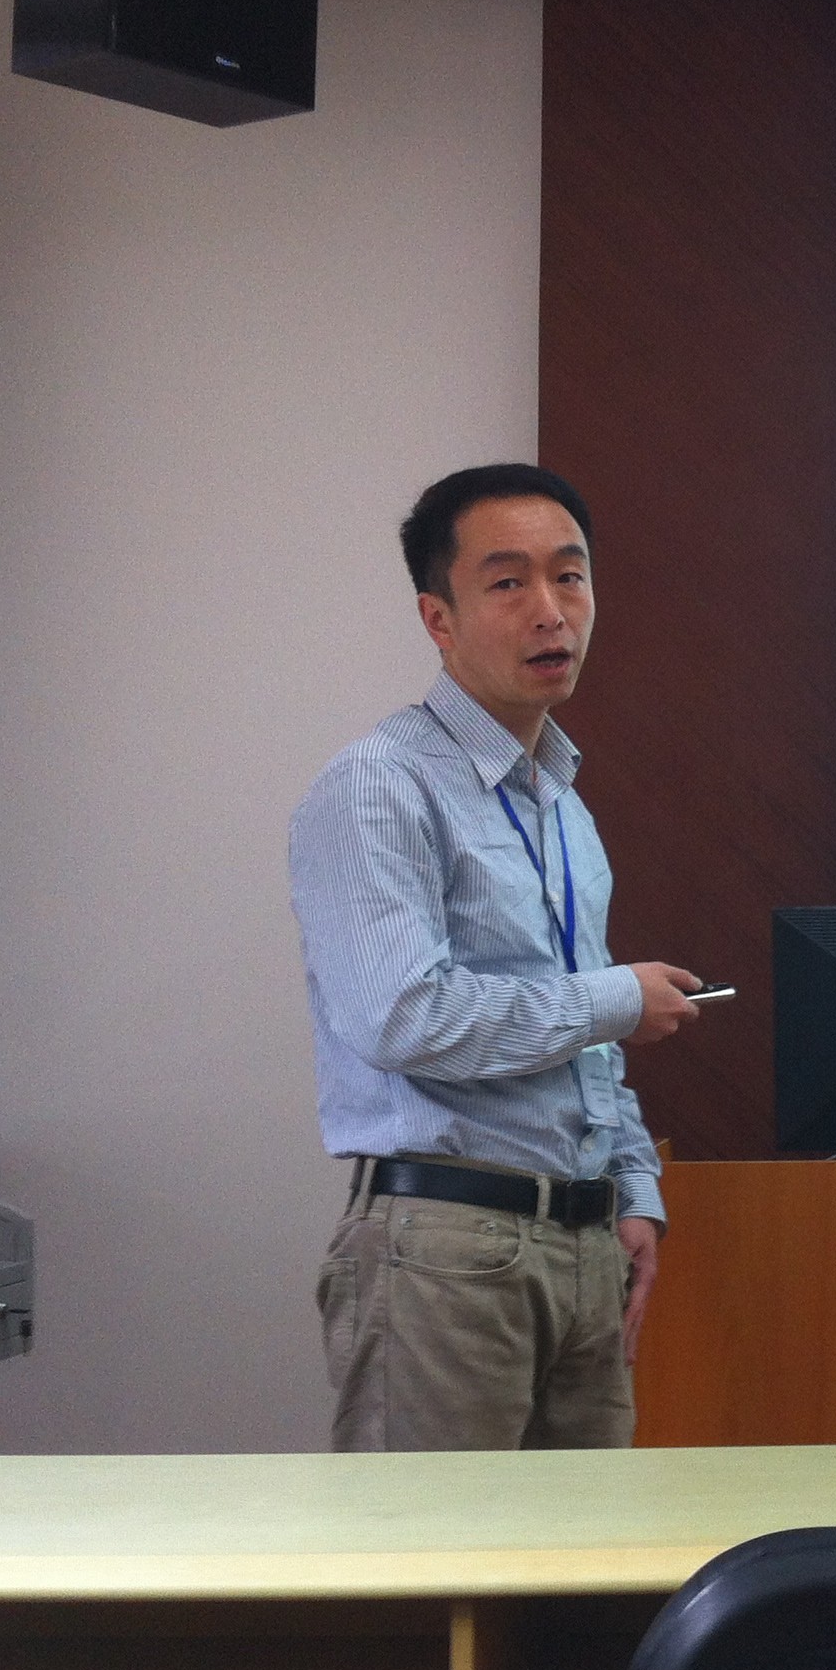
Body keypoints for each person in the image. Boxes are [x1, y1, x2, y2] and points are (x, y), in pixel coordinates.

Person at [288, 462, 704, 1450]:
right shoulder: (380, 785)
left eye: (571, 576)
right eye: (509, 582)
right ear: (438, 618)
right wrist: (615, 999)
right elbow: (403, 1017)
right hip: (445, 1249)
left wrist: (633, 1192)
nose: (551, 610)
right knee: (431, 1544)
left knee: (580, 1548)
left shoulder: (562, 805)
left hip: (585, 1246)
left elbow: (581, 1036)